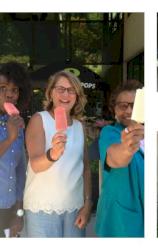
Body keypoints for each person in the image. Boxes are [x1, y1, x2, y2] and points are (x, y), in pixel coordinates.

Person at [23, 71, 92, 237]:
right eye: (60, 89)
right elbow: (35, 164)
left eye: (71, 90)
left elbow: (86, 169)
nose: (66, 94)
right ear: (50, 92)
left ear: (77, 96)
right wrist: (52, 154)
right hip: (41, 209)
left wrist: (88, 203)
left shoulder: (79, 126)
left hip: (75, 209)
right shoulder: (39, 120)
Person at [95, 80, 144, 237]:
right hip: (120, 220)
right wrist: (126, 148)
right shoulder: (110, 132)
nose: (129, 110)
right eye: (123, 105)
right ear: (114, 109)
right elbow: (115, 158)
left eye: (134, 105)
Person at [0, 62, 31, 237]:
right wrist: (9, 138)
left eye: (15, 90)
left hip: (10, 209)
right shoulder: (14, 131)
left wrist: (19, 213)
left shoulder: (18, 125)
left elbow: (20, 172)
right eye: (3, 88)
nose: (10, 94)